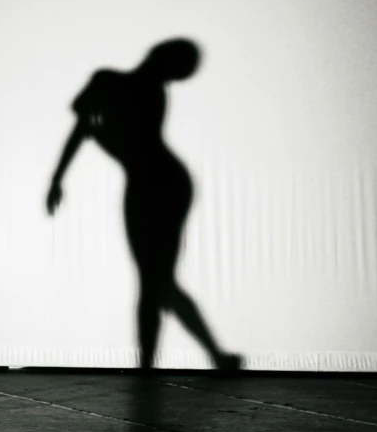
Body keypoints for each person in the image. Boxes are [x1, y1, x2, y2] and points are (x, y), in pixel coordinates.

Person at [47, 39, 241, 372]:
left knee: (154, 281)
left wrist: (63, 172)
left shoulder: (139, 91)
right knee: (157, 281)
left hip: (160, 185)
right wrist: (59, 177)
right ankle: (202, 358)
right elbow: (87, 130)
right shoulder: (119, 83)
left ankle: (155, 365)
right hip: (153, 184)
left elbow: (97, 134)